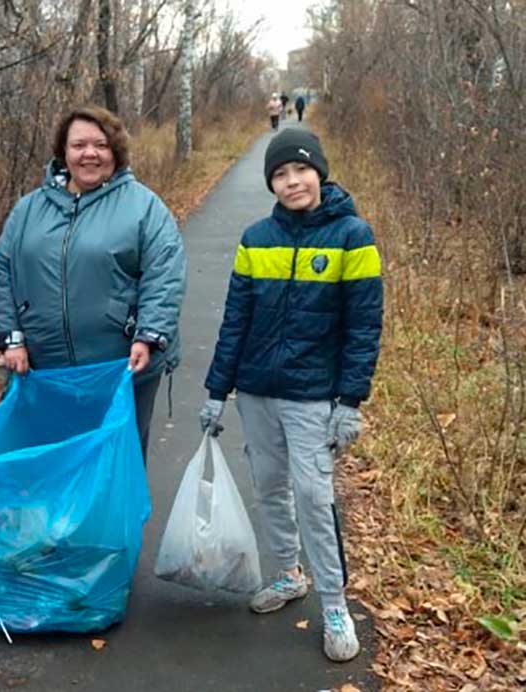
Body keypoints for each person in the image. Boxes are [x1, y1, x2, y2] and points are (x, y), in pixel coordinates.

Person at [198, 128, 383, 662]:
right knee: (270, 487)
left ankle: (333, 602)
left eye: (300, 170)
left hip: (312, 396)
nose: (292, 181)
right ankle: (287, 574)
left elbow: (364, 325)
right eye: (280, 174)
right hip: (257, 391)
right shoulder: (256, 239)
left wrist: (350, 400)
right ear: (271, 183)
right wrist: (217, 391)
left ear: (319, 172)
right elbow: (235, 320)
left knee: (314, 496)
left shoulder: (353, 236)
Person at [0, 106, 186, 461]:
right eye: (79, 145)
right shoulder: (29, 210)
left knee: (116, 465)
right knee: (55, 465)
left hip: (122, 368)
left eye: (100, 144)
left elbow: (164, 273)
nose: (90, 153)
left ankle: (117, 520)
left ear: (116, 151)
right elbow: (3, 267)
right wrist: (11, 337)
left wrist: (149, 335)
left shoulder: (144, 207)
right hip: (46, 370)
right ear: (64, 152)